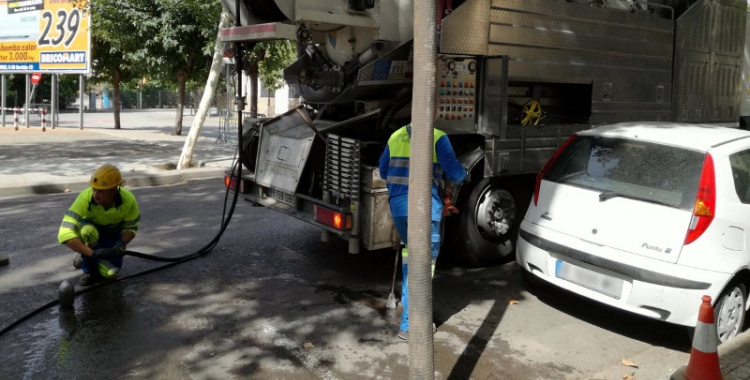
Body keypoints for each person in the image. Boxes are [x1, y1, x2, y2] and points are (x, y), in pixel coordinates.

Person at [378, 123, 468, 341]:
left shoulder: (396, 135)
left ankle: (410, 321)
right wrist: (465, 172)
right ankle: (411, 325)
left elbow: (383, 170)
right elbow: (455, 173)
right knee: (424, 266)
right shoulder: (437, 137)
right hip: (424, 209)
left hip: (400, 209)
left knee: (412, 261)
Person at [58, 164, 141, 286]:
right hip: (91, 232)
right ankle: (89, 270)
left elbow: (131, 228)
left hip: (112, 235)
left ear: (113, 190)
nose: (95, 194)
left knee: (111, 273)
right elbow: (64, 234)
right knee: (88, 232)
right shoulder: (85, 198)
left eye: (101, 191)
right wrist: (93, 253)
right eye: (94, 189)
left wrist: (121, 244)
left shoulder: (128, 200)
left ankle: (83, 255)